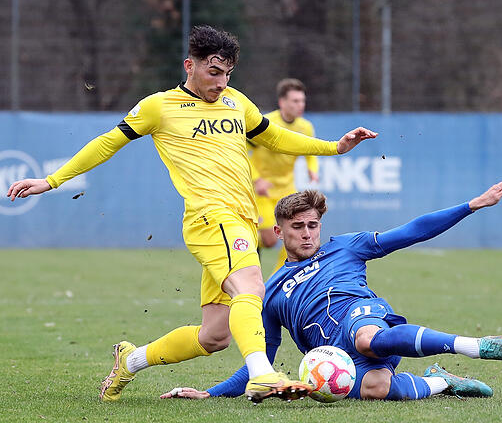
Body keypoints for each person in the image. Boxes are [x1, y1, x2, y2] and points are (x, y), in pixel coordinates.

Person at [5, 25, 377, 403]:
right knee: (251, 287)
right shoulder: (159, 106)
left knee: (214, 336)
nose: (221, 82)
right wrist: (52, 180)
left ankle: (129, 361)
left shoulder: (236, 101)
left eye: (228, 73)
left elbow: (275, 137)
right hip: (210, 217)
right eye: (214, 72)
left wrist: (334, 147)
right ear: (190, 65)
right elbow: (107, 143)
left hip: (240, 219)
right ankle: (263, 375)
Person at [159, 179, 502, 401]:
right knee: (378, 388)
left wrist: (472, 206)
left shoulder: (347, 246)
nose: (307, 233)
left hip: (366, 323)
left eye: (313, 225)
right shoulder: (268, 293)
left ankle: (476, 347)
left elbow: (411, 230)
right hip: (337, 359)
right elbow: (262, 361)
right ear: (278, 232)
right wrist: (211, 392)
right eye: (298, 226)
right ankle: (439, 382)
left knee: (366, 337)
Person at [249, 78, 317, 272]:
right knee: (270, 240)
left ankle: (278, 279)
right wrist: (256, 179)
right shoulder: (266, 123)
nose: (300, 105)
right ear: (282, 103)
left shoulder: (306, 127)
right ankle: (244, 247)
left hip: (287, 191)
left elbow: (310, 152)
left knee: (294, 235)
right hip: (262, 191)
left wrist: (313, 169)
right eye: (295, 101)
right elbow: (243, 151)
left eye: (302, 101)